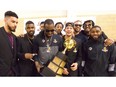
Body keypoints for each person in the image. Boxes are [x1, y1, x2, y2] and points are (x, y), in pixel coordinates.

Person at [0, 11, 19, 76]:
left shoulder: (15, 37)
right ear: (5, 20)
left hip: (13, 73)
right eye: (13, 22)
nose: (15, 24)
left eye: (16, 22)